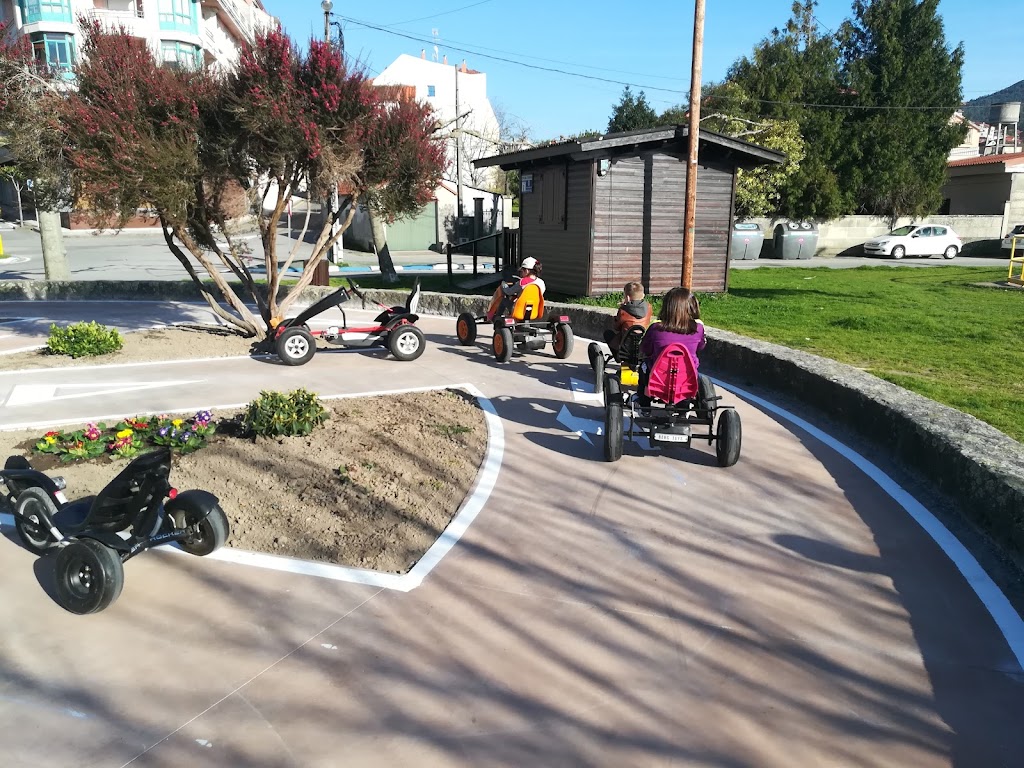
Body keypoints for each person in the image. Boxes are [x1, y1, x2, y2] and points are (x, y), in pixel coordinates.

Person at [637, 286, 705, 403]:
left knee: (644, 365)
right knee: (692, 365)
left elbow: (645, 348)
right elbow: (701, 346)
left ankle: (644, 402)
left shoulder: (655, 328)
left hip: (658, 377)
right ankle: (684, 405)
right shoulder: (698, 328)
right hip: (687, 377)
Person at [603, 281, 652, 358]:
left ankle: (618, 357)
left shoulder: (623, 311)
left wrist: (622, 307)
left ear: (628, 297)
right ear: (643, 295)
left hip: (626, 347)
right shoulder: (649, 308)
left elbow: (616, 327)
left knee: (608, 333)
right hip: (641, 347)